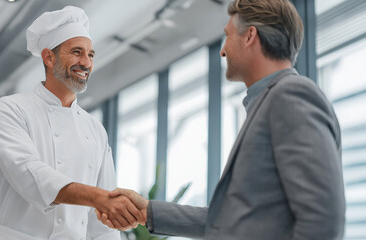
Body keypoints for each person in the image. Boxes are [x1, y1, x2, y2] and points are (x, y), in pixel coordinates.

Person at [96, 0, 346, 239]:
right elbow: (229, 220)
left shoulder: (290, 96)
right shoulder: (269, 103)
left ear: (249, 36)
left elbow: (323, 219)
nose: (223, 50)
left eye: (228, 35)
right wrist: (148, 211)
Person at [0, 6, 144, 240]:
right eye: (77, 52)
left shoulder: (95, 129)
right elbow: (30, 175)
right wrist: (100, 197)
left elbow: (101, 225)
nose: (86, 62)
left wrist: (106, 203)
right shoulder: (11, 109)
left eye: (91, 55)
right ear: (48, 57)